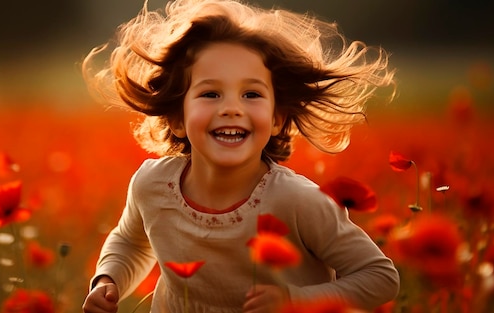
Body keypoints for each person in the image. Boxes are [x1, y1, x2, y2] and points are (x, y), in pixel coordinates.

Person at [81, 0, 399, 312]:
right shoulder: (151, 184)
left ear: (277, 118)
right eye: (210, 94)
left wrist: (292, 301)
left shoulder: (298, 200)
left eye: (251, 94)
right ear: (177, 118)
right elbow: (131, 242)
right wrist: (109, 280)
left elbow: (380, 277)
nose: (232, 108)